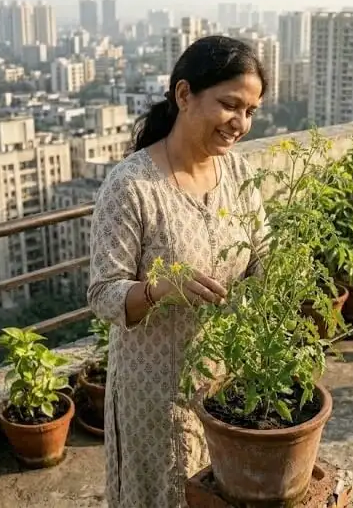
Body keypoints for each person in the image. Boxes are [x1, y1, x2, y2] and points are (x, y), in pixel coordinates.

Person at [87, 35, 268, 507]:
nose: (240, 123)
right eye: (230, 105)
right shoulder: (132, 187)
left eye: (251, 111)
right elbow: (103, 293)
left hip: (224, 386)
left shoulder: (238, 173)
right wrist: (161, 289)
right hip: (154, 393)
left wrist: (280, 281)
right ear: (184, 95)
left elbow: (262, 247)